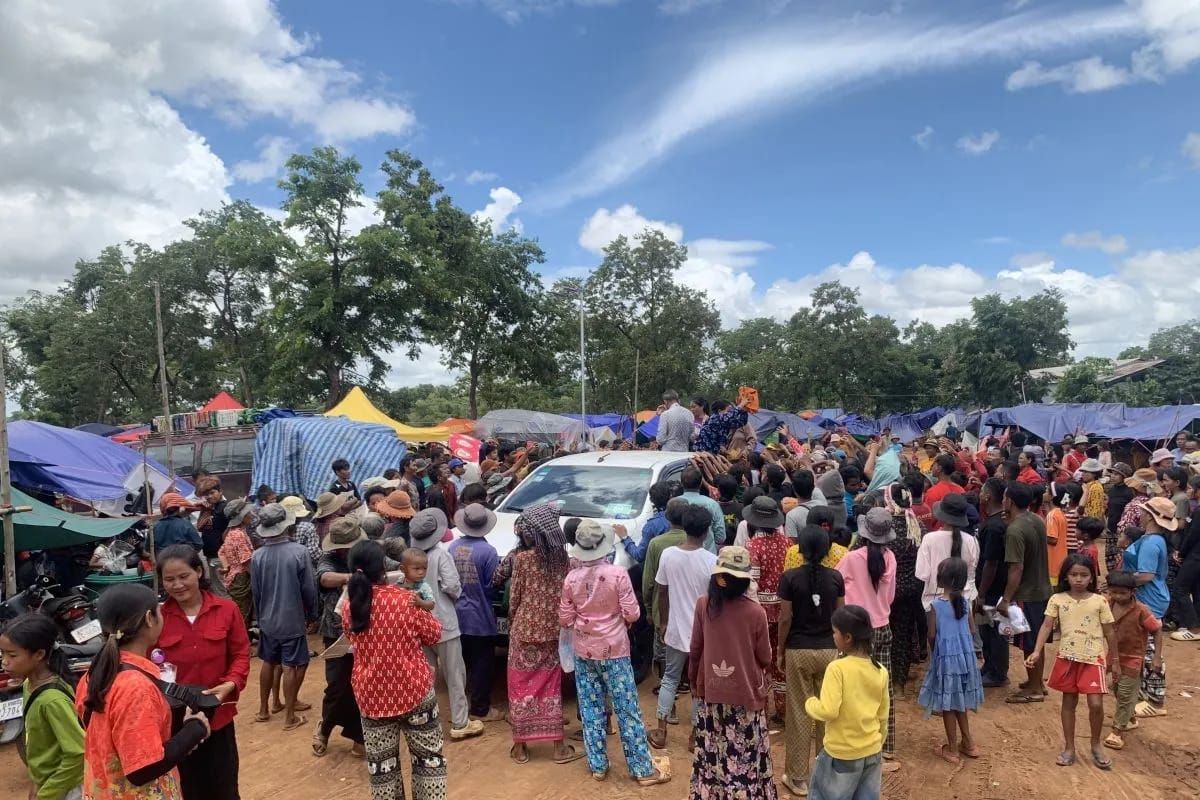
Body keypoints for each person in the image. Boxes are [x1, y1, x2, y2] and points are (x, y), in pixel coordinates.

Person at [559, 521, 670, 786]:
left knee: (590, 707)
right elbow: (632, 613)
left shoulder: (571, 578)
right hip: (615, 651)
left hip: (584, 651)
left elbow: (565, 618)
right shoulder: (618, 574)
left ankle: (598, 765)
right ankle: (642, 769)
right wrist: (619, 621)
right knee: (626, 707)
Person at [76, 584, 211, 800]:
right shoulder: (135, 686)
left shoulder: (94, 674)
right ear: (149, 618)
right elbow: (142, 770)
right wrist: (194, 730)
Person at [344, 540, 446, 800]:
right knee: (429, 762)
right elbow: (434, 634)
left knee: (382, 772)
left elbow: (352, 638)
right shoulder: (406, 601)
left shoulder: (351, 607)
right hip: (415, 692)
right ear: (383, 568)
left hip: (372, 696)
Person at [156, 545, 251, 800]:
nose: (177, 585)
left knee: (225, 789)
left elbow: (241, 654)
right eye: (169, 579)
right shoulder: (157, 618)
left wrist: (232, 682)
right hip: (177, 726)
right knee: (188, 789)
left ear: (198, 571)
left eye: (183, 576)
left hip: (218, 716)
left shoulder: (226, 610)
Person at [688, 546, 776, 799]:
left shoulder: (704, 605)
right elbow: (765, 657)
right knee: (747, 757)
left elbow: (695, 649)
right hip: (746, 698)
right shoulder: (756, 612)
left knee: (713, 755)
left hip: (712, 696)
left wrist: (695, 682)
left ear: (719, 577)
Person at [1025, 554, 1118, 769]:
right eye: (1074, 574)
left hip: (1093, 658)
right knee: (1069, 702)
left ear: (1091, 577)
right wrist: (1037, 651)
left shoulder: (1100, 601)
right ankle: (1069, 747)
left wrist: (1114, 659)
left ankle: (1096, 744)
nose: (1078, 579)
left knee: (1095, 704)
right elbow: (1047, 626)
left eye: (1084, 575)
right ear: (1065, 576)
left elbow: (1110, 632)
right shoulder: (1057, 600)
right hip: (1068, 657)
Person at [506, 504, 579, 764]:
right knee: (551, 688)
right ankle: (558, 747)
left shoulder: (522, 560)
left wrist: (514, 620)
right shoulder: (565, 561)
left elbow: (514, 598)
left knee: (519, 687)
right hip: (554, 632)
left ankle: (521, 747)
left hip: (525, 632)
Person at [778, 525, 845, 796]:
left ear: (800, 549)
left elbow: (785, 619)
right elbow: (841, 616)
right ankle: (825, 774)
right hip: (829, 650)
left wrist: (781, 650)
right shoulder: (836, 577)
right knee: (828, 714)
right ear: (828, 549)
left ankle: (798, 778)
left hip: (799, 650)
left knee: (799, 714)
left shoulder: (789, 578)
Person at [650, 505, 719, 750]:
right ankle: (695, 736)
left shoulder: (668, 555)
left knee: (669, 678)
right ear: (706, 531)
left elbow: (662, 591)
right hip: (704, 631)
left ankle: (660, 731)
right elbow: (714, 599)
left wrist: (665, 621)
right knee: (699, 685)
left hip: (676, 629)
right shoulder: (712, 561)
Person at [804, 605, 890, 800]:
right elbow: (883, 715)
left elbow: (828, 710)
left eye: (835, 632)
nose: (833, 636)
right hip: (872, 752)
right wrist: (876, 743)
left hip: (841, 753)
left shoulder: (837, 669)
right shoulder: (880, 671)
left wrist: (809, 703)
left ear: (848, 637)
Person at [837, 507, 899, 769]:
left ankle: (854, 742)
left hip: (856, 630)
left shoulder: (852, 558)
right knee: (883, 687)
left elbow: (836, 584)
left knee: (851, 686)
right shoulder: (890, 558)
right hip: (882, 626)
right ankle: (886, 746)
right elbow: (891, 597)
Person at [0, 614, 84, 800]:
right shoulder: (29, 685)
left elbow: (78, 751)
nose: (4, 661)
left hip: (65, 790)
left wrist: (48, 792)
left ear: (39, 654)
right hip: (46, 783)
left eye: (12, 655)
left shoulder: (51, 700)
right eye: (2, 653)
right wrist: (38, 782)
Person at [250, 502, 317, 730]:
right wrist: (312, 614)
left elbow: (256, 592)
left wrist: (260, 618)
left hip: (268, 619)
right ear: (286, 525)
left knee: (268, 661)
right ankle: (289, 716)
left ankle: (264, 709)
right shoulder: (299, 552)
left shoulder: (257, 555)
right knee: (293, 665)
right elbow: (308, 588)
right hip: (292, 618)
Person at [423, 506, 485, 740]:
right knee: (455, 675)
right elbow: (452, 585)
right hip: (444, 622)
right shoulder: (440, 555)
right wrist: (453, 597)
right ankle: (460, 723)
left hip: (420, 623)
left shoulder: (410, 554)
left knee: (426, 675)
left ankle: (426, 721)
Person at [918, 557, 983, 764]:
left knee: (948, 704)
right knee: (960, 702)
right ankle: (969, 743)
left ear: (939, 579)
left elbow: (931, 634)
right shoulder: (965, 603)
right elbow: (972, 630)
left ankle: (953, 748)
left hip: (946, 659)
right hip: (965, 659)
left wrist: (936, 651)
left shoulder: (935, 605)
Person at [313, 517, 368, 758]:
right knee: (336, 685)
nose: (345, 551)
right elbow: (324, 578)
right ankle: (324, 728)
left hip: (363, 632)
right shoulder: (328, 559)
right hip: (335, 633)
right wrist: (351, 578)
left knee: (361, 685)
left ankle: (358, 737)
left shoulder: (364, 557)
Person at [447, 505, 503, 724]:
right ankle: (481, 708)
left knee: (463, 663)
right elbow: (491, 586)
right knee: (483, 663)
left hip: (456, 614)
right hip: (480, 616)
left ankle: (460, 707)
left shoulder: (453, 547)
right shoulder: (488, 552)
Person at [997, 481, 1052, 704]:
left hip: (1027, 594)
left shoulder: (1015, 530)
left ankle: (1036, 688)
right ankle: (1036, 682)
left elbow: (1016, 567)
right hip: (1042, 588)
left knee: (1029, 643)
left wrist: (1007, 598)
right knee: (1035, 639)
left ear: (1009, 501)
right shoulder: (1036, 520)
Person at [1122, 495, 1176, 715]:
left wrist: (1121, 582)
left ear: (1151, 517)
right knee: (1144, 645)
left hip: (1149, 597)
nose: (1141, 515)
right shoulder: (1154, 540)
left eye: (1144, 512)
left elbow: (1145, 575)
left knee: (1150, 647)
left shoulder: (1151, 543)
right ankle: (1147, 692)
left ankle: (1155, 699)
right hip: (1153, 595)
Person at [1104, 569, 1163, 750]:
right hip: (1113, 656)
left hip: (1133, 658)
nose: (1118, 596)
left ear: (1132, 592)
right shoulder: (1107, 604)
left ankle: (1117, 731)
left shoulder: (1141, 611)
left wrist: (1156, 657)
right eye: (1114, 591)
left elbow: (1157, 630)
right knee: (1117, 688)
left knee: (1124, 694)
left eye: (1122, 592)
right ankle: (1130, 717)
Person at [744, 496, 789, 723]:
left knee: (760, 659)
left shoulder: (753, 546)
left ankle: (761, 706)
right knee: (780, 659)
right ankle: (782, 710)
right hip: (784, 611)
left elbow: (752, 583)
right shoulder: (787, 543)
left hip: (760, 612)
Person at [915, 494, 979, 615]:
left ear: (942, 516)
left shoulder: (929, 539)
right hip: (964, 601)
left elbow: (922, 574)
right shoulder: (971, 540)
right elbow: (971, 574)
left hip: (934, 604)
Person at [975, 478, 1010, 687]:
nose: (979, 495)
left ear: (987, 496)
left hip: (992, 588)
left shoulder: (994, 526)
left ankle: (998, 673)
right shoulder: (996, 521)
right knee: (986, 629)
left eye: (982, 491)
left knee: (995, 629)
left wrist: (981, 593)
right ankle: (989, 666)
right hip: (993, 586)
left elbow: (991, 563)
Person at [216, 498, 255, 632]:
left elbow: (221, 552)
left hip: (235, 577)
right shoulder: (238, 535)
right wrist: (257, 579)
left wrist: (227, 567)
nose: (252, 515)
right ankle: (242, 646)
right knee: (243, 614)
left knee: (242, 612)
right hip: (241, 577)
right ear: (241, 517)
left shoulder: (231, 533)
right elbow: (246, 561)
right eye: (248, 513)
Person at [680, 466, 725, 554]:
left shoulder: (673, 504)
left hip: (679, 558)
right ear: (701, 483)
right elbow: (720, 537)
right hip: (708, 557)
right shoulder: (712, 504)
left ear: (681, 483)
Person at [1045, 482, 1082, 585]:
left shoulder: (1053, 515)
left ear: (1052, 496)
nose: (1044, 493)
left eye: (1047, 491)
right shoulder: (1060, 513)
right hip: (1062, 554)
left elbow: (1052, 539)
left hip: (1055, 558)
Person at [629, 481, 674, 563]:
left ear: (652, 500)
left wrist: (625, 538)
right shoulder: (681, 516)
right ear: (671, 497)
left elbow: (639, 555)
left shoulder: (651, 526)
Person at [716, 475, 744, 548]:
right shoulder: (742, 508)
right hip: (737, 547)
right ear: (735, 491)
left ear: (718, 490)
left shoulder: (713, 507)